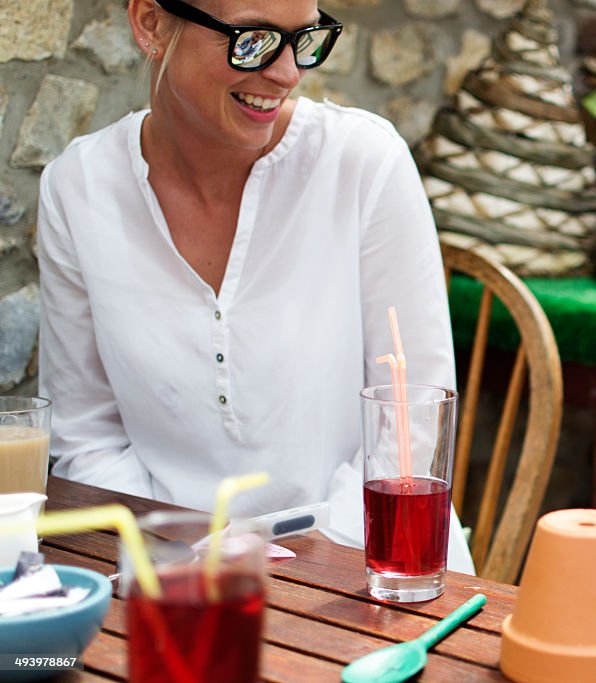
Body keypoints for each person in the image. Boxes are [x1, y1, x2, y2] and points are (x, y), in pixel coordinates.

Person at [36, 0, 474, 572]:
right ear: (150, 24)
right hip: (169, 575)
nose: (289, 72)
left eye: (306, 39)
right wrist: (182, 556)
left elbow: (413, 421)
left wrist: (302, 567)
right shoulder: (79, 188)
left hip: (373, 566)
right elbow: (84, 436)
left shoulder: (363, 163)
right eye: (254, 38)